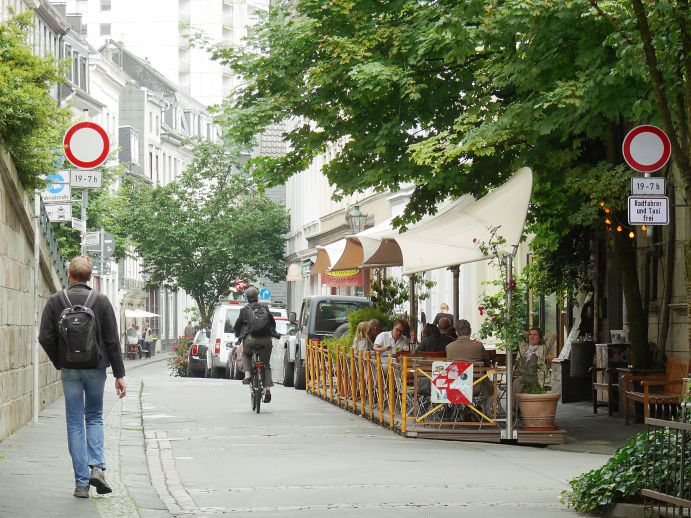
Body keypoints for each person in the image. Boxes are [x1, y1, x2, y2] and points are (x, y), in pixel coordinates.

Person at [38, 256, 126, 499]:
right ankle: (97, 467)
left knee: (75, 421)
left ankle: (81, 484)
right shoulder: (101, 301)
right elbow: (111, 340)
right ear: (90, 277)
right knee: (95, 416)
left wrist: (61, 360)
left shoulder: (57, 301)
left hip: (70, 370)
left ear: (70, 275)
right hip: (96, 368)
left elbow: (45, 337)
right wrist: (119, 374)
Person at [234, 287, 280, 403]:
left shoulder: (244, 310)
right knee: (266, 365)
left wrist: (238, 335)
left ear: (247, 298)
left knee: (246, 354)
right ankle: (268, 389)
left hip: (251, 340)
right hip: (265, 340)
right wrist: (273, 333)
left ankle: (248, 375)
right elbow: (272, 323)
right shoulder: (264, 307)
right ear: (257, 296)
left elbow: (238, 325)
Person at [445, 319, 493, 404]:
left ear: (456, 332)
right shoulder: (478, 345)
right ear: (470, 331)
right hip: (475, 386)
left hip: (453, 386)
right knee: (494, 390)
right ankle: (480, 411)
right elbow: (488, 364)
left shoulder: (449, 347)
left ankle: (465, 409)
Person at [513, 327, 547, 396]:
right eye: (530, 335)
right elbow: (518, 332)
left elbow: (553, 335)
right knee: (512, 379)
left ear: (539, 338)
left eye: (535, 335)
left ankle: (514, 406)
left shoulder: (542, 348)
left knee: (517, 381)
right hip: (518, 374)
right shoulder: (524, 347)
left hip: (532, 377)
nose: (532, 337)